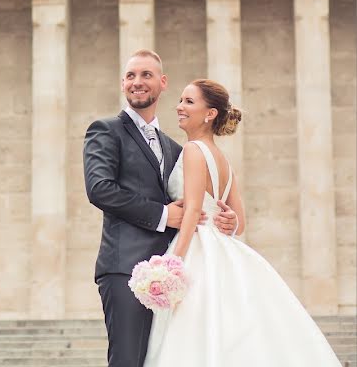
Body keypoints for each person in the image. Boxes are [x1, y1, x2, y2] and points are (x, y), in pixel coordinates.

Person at [143, 79, 341, 367]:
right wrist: (230, 222)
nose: (179, 106)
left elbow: (193, 211)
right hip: (224, 247)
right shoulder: (223, 160)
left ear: (209, 113)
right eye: (181, 100)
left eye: (188, 101)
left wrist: (172, 264)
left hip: (197, 246)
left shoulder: (193, 150)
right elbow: (240, 222)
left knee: (194, 331)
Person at [83, 50, 239, 367]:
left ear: (162, 83)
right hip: (126, 268)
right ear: (123, 83)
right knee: (128, 360)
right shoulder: (106, 130)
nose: (137, 82)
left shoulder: (175, 147)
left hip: (175, 271)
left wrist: (228, 218)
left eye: (146, 75)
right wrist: (165, 215)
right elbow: (99, 189)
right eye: (130, 76)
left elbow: (201, 197)